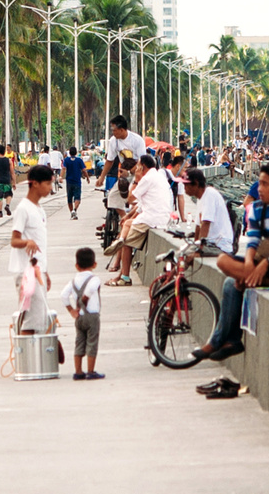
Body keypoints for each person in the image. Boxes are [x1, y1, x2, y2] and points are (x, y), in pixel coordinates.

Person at [196, 160, 269, 361]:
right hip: (262, 263)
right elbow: (253, 240)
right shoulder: (258, 209)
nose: (259, 189)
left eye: (265, 184)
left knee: (231, 284)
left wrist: (267, 262)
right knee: (222, 263)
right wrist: (249, 265)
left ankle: (222, 341)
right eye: (259, 183)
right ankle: (230, 340)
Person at [108, 151, 178, 282]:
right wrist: (128, 215)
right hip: (161, 217)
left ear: (143, 167)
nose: (136, 169)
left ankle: (125, 277)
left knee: (127, 243)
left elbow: (129, 199)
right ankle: (120, 270)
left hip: (152, 218)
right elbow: (141, 204)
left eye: (138, 166)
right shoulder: (158, 176)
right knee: (127, 223)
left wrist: (136, 180)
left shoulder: (146, 179)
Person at [9, 163, 53, 328]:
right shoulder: (23, 208)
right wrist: (27, 242)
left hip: (38, 271)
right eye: (47, 183)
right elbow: (14, 240)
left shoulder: (39, 209)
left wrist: (45, 271)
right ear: (35, 183)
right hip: (26, 272)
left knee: (39, 319)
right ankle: (27, 353)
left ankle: (34, 353)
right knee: (31, 322)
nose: (50, 188)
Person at [65, 244, 104, 381]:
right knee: (92, 342)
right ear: (94, 264)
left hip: (79, 317)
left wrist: (71, 310)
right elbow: (92, 289)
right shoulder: (95, 279)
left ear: (76, 265)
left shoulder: (73, 281)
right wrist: (84, 299)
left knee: (79, 342)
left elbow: (64, 295)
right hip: (92, 316)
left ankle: (78, 371)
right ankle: (91, 371)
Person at [181, 164, 237, 259]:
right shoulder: (200, 198)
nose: (184, 188)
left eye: (186, 185)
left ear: (196, 183)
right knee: (181, 254)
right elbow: (198, 227)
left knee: (187, 257)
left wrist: (199, 250)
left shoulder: (209, 195)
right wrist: (195, 246)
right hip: (211, 243)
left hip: (220, 245)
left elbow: (206, 224)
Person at [61, 146, 86, 219]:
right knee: (77, 197)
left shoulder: (66, 160)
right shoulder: (79, 160)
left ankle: (72, 212)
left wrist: (60, 177)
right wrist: (87, 177)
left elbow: (63, 168)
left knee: (69, 198)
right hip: (77, 182)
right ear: (76, 152)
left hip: (69, 182)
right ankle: (74, 210)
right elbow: (84, 170)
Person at [0, 144, 15, 216]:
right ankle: (7, 205)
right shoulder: (9, 161)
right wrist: (14, 182)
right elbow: (12, 172)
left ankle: (0, 212)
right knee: (9, 194)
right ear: (4, 151)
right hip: (7, 180)